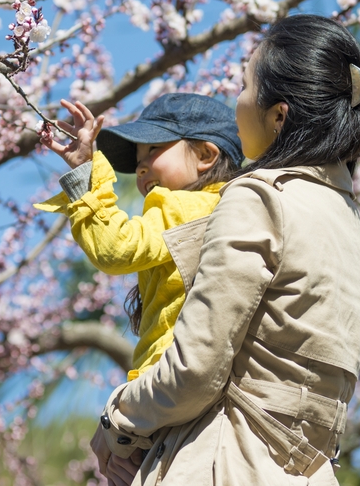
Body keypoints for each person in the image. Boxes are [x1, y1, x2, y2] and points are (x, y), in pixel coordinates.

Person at [92, 14, 360, 485]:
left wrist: (116, 420)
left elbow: (194, 370)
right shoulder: (351, 227)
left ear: (278, 115)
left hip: (222, 462)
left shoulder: (260, 196)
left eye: (245, 86)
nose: (237, 101)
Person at [36, 92, 245, 381]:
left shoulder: (186, 206)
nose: (140, 167)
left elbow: (116, 249)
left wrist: (86, 176)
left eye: (154, 149)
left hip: (169, 374)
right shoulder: (233, 210)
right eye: (137, 161)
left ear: (206, 155)